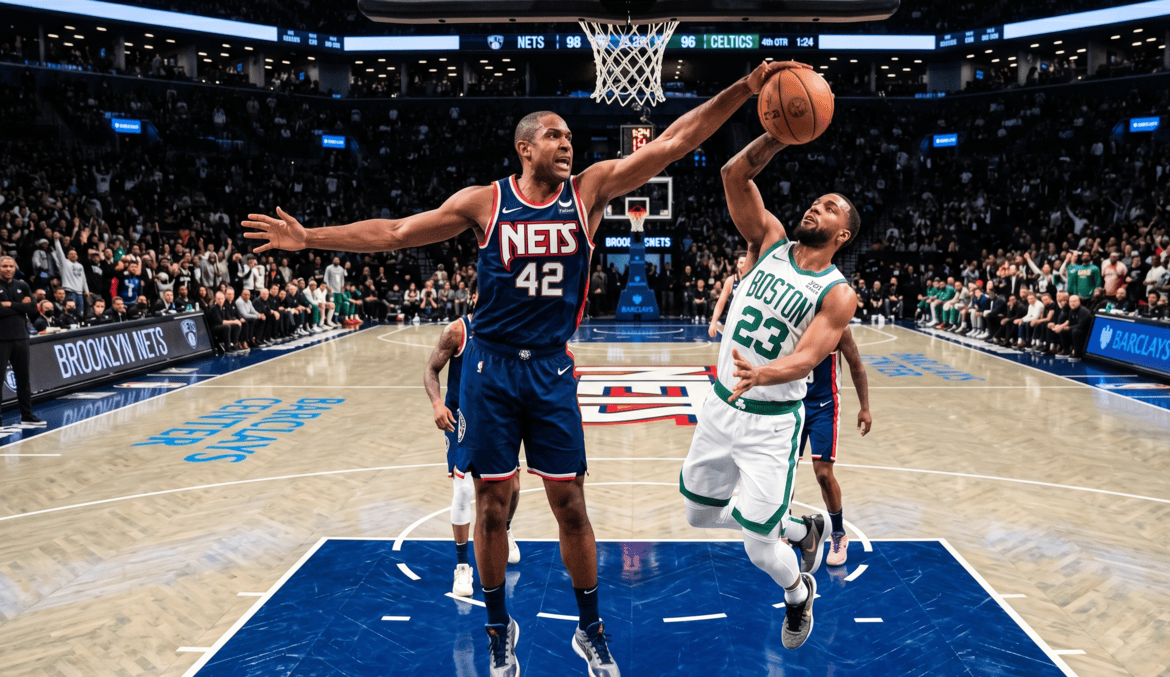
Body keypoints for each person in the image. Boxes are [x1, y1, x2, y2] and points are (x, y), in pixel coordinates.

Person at [244, 60, 783, 677]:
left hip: (551, 371)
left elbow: (674, 141)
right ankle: (499, 629)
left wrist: (743, 89)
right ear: (524, 146)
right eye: (555, 136)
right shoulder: (484, 202)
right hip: (489, 371)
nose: (567, 145)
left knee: (571, 506)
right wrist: (309, 237)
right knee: (493, 506)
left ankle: (591, 630)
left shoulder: (589, 191)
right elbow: (395, 232)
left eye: (570, 140)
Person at [680, 131, 859, 652]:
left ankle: (800, 591)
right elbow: (734, 176)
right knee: (698, 514)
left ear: (842, 234)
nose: (815, 207)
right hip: (720, 406)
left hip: (772, 422)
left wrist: (765, 373)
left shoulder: (837, 291)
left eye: (828, 208)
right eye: (815, 201)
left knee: (758, 548)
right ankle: (801, 528)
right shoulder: (770, 241)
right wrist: (777, 136)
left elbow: (810, 357)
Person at [423, 292, 522, 598]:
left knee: (514, 488)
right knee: (465, 490)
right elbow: (430, 370)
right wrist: (438, 403)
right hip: (461, 420)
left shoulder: (509, 330)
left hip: (499, 418)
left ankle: (504, 529)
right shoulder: (457, 331)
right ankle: (462, 567)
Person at [797, 328, 871, 567]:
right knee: (785, 470)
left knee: (824, 474)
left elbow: (856, 365)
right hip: (791, 404)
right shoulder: (792, 322)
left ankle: (838, 534)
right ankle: (785, 531)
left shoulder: (838, 328)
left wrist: (865, 407)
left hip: (824, 406)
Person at [0, 256, 45, 427]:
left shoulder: (23, 285)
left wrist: (9, 305)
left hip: (21, 338)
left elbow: (32, 309)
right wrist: (20, 306)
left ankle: (27, 415)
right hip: (2, 340)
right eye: (4, 266)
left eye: (11, 266)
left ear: (15, 267)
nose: (8, 269)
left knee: (24, 379)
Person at [709, 253, 747, 337]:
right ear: (737, 264)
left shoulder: (755, 280)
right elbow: (720, 303)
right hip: (733, 322)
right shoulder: (731, 280)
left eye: (746, 262)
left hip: (749, 323)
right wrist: (713, 321)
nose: (743, 265)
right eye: (741, 262)